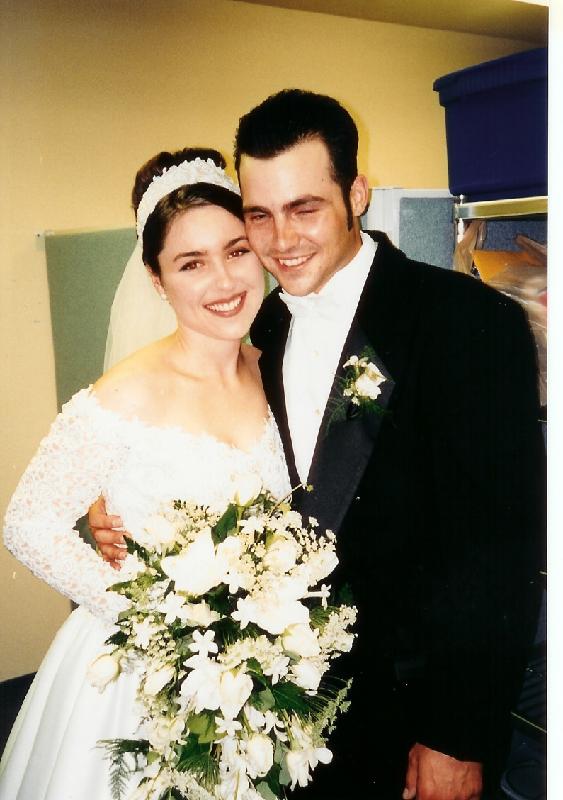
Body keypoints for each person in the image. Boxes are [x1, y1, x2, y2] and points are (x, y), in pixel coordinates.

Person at [92, 91, 545, 800]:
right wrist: (114, 513)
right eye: (259, 215)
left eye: (304, 208)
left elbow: (497, 553)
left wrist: (457, 736)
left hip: (417, 712)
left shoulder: (465, 322)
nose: (281, 241)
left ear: (356, 194)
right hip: (294, 707)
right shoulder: (261, 326)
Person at [0, 148, 291, 799]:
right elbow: (27, 522)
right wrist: (157, 618)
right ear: (157, 281)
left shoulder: (276, 368)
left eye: (236, 250)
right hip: (147, 668)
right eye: (191, 263)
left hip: (261, 657)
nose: (224, 280)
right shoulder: (125, 394)